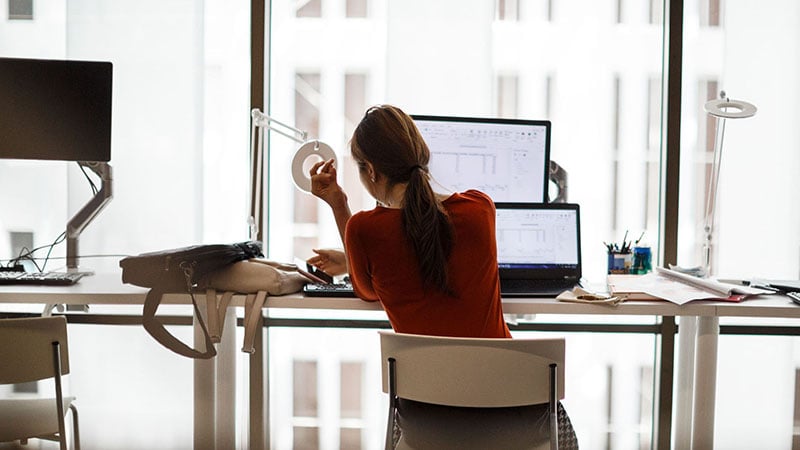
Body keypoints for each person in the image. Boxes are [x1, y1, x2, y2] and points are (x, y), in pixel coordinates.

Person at [308, 104, 510, 338]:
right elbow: (430, 245)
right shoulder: (480, 208)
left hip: (426, 375)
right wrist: (350, 258)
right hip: (501, 371)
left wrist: (339, 204)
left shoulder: (365, 230)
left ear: (371, 171)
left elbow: (368, 291)